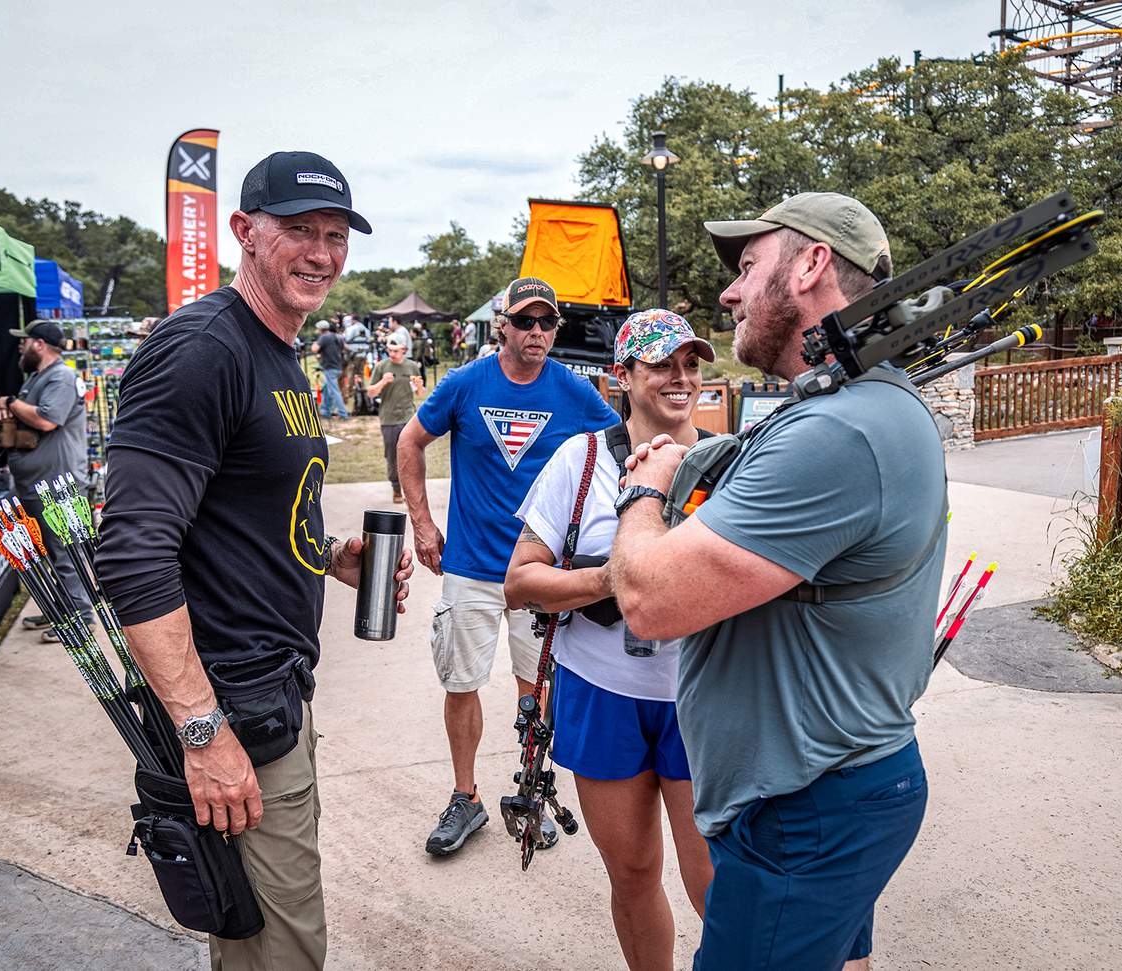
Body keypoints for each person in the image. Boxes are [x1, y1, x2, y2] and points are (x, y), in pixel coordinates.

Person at [609, 193, 946, 970]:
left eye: (750, 265)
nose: (729, 291)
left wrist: (647, 489)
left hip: (807, 808)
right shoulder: (859, 406)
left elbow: (649, 599)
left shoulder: (838, 431)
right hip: (826, 790)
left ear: (813, 265)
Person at [95, 150, 412, 970]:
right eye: (300, 230)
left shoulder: (281, 355)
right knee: (282, 950)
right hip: (232, 705)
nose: (321, 253)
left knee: (265, 941)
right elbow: (132, 553)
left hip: (272, 695)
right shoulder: (203, 347)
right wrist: (203, 734)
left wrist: (331, 555)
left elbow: (252, 513)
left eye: (336, 234)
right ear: (243, 230)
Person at [505, 309, 715, 970]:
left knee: (717, 881)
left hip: (703, 696)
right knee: (632, 872)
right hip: (601, 692)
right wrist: (614, 578)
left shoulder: (728, 459)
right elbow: (520, 580)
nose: (679, 378)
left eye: (690, 364)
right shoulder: (583, 458)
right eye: (660, 365)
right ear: (621, 376)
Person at [398, 276, 618, 857]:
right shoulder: (468, 383)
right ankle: (464, 796)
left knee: (534, 688)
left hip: (538, 570)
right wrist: (422, 524)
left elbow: (614, 449)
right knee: (461, 681)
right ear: (504, 325)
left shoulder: (571, 390)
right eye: (526, 322)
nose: (538, 333)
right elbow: (409, 442)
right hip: (470, 564)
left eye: (547, 323)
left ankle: (530, 792)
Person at [0, 319, 92, 642]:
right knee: (52, 552)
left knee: (67, 552)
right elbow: (30, 425)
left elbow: (48, 420)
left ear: (39, 344)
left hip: (58, 483)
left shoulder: (61, 377)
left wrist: (10, 403)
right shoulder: (37, 377)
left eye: (25, 341)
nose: (20, 346)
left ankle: (80, 620)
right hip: (37, 480)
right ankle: (63, 611)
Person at [366, 332, 423, 503]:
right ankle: (396, 489)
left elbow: (419, 393)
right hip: (389, 418)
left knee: (411, 455)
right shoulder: (381, 366)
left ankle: (411, 491)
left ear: (404, 350)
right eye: (389, 350)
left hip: (408, 417)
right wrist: (382, 382)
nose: (392, 354)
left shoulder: (412, 366)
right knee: (392, 455)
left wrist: (420, 386)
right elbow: (370, 393)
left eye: (396, 351)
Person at [312, 319, 350, 421]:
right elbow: (345, 347)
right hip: (338, 366)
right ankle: (325, 411)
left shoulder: (324, 337)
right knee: (326, 389)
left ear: (320, 329)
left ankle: (343, 414)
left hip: (330, 367)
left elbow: (314, 349)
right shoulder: (337, 336)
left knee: (334, 391)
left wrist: (316, 343)